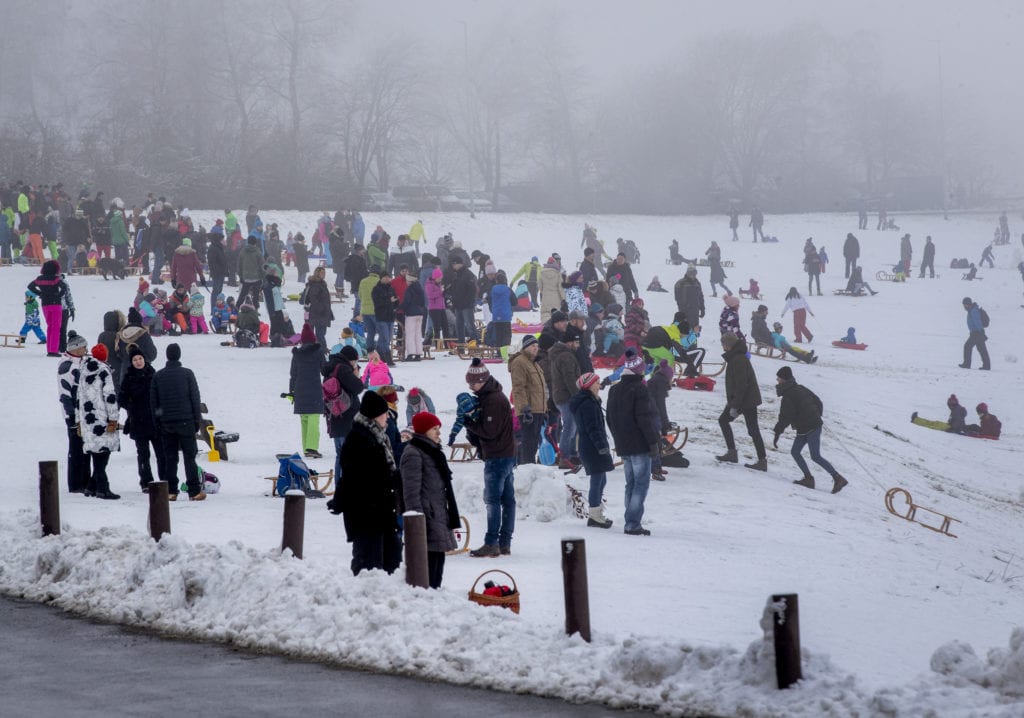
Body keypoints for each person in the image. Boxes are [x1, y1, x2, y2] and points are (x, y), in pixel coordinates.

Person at [333, 390, 402, 576]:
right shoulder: (359, 439)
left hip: (382, 512)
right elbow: (352, 477)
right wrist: (339, 500)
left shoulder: (378, 436)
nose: (387, 417)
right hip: (367, 513)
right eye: (384, 413)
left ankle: (388, 598)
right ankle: (364, 599)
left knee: (392, 560)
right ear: (374, 415)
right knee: (368, 564)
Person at [400, 412, 461, 589]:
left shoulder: (432, 451)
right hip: (426, 518)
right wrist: (418, 523)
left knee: (437, 563)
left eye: (439, 429)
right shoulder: (414, 453)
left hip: (437, 515)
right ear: (424, 430)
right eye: (434, 429)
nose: (438, 433)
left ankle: (434, 599)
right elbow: (410, 492)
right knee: (427, 570)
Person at [463, 358, 516, 557]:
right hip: (506, 454)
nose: (471, 387)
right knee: (508, 500)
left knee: (493, 500)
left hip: (498, 456)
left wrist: (469, 423)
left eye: (473, 383)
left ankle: (492, 542)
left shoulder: (493, 400)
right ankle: (504, 543)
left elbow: (489, 431)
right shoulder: (490, 397)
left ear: (483, 380)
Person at [606, 353, 660, 535]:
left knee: (630, 483)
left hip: (623, 444)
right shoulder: (639, 389)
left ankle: (631, 519)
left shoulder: (614, 390)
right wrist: (653, 442)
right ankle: (632, 523)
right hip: (640, 445)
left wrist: (618, 437)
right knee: (640, 484)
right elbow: (645, 419)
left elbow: (610, 418)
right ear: (638, 371)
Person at [771, 366, 847, 493]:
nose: (777, 380)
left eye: (778, 378)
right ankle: (808, 479)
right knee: (795, 452)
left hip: (812, 427)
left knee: (815, 456)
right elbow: (818, 402)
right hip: (805, 427)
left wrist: (778, 432)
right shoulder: (800, 388)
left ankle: (838, 478)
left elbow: (785, 417)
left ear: (784, 379)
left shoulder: (789, 395)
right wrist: (816, 415)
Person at [151, 343, 206, 501]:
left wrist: (158, 421)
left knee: (170, 458)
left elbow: (154, 402)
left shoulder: (158, 376)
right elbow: (195, 398)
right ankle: (194, 490)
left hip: (167, 423)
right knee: (190, 457)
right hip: (186, 421)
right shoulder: (187, 374)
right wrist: (197, 420)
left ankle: (171, 491)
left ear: (167, 356)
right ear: (179, 355)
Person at [716, 332, 767, 471]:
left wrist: (735, 406)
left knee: (752, 430)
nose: (722, 347)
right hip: (741, 400)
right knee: (730, 423)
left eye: (723, 344)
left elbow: (741, 385)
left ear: (729, 345)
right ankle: (734, 453)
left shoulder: (738, 359)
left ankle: (760, 460)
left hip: (746, 401)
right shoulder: (736, 357)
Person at [570, 372, 614, 528]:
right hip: (591, 447)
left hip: (591, 445)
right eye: (597, 382)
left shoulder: (590, 401)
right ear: (588, 385)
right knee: (597, 480)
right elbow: (593, 428)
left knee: (601, 479)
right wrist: (601, 447)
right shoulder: (587, 404)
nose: (599, 385)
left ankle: (597, 513)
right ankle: (595, 516)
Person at [77, 344, 121, 499]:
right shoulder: (104, 371)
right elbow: (110, 396)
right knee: (103, 453)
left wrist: (79, 420)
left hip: (88, 419)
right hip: (102, 418)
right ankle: (103, 487)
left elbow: (79, 397)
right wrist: (113, 418)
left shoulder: (83, 371)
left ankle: (91, 486)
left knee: (97, 452)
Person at [119, 346, 165, 492]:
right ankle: (146, 482)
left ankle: (164, 479)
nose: (138, 362)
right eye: (135, 360)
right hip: (138, 422)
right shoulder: (128, 377)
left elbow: (161, 397)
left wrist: (159, 413)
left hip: (154, 421)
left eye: (140, 359)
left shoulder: (153, 374)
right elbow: (122, 398)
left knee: (161, 453)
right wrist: (131, 407)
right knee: (143, 454)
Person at [323, 345, 364, 482]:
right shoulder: (343, 369)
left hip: (335, 417)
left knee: (340, 455)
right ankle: (346, 491)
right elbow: (358, 387)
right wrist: (356, 376)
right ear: (351, 359)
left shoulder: (330, 369)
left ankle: (339, 488)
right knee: (349, 456)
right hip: (348, 418)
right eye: (355, 361)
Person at [57, 331, 91, 493]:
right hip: (74, 415)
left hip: (84, 413)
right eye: (84, 347)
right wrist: (71, 416)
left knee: (85, 448)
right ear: (76, 349)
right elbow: (65, 394)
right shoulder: (67, 366)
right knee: (77, 449)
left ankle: (85, 480)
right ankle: (76, 483)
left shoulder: (80, 361)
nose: (86, 350)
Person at [549, 324, 583, 469]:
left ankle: (570, 454)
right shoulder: (566, 356)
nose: (578, 345)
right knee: (569, 426)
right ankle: (564, 457)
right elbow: (570, 379)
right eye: (576, 342)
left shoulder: (562, 354)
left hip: (561, 395)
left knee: (572, 426)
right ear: (569, 342)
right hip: (566, 396)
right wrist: (578, 396)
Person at [509, 334, 547, 464]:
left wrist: (544, 408)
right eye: (532, 346)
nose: (535, 349)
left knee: (534, 441)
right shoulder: (520, 362)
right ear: (525, 347)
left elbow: (540, 388)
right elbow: (519, 387)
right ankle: (526, 467)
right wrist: (525, 407)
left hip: (538, 408)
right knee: (528, 441)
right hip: (528, 409)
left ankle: (530, 466)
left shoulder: (534, 363)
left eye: (537, 346)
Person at [290, 323, 326, 459]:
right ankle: (312, 448)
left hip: (299, 390)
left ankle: (306, 447)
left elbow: (293, 374)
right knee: (313, 419)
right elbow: (324, 369)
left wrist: (291, 391)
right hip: (314, 390)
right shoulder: (318, 352)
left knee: (304, 419)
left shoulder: (297, 354)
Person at [27, 259, 69, 356]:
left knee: (50, 326)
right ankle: (53, 350)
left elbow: (30, 286)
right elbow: (64, 287)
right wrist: (59, 295)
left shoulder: (40, 279)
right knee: (56, 328)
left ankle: (50, 349)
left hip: (45, 304)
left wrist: (40, 293)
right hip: (55, 304)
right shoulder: (56, 279)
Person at [304, 266, 335, 350]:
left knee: (319, 333)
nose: (323, 275)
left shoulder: (320, 284)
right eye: (322, 273)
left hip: (319, 312)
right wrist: (321, 309)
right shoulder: (316, 285)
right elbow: (313, 298)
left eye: (324, 273)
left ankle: (317, 348)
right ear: (317, 273)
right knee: (319, 333)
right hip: (318, 313)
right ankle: (322, 349)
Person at [959, 297, 990, 370]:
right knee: (982, 349)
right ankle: (987, 366)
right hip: (976, 332)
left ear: (968, 304)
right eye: (963, 305)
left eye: (965, 305)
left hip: (977, 333)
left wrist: (981, 332)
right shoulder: (971, 310)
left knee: (967, 346)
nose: (964, 307)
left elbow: (977, 322)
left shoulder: (973, 311)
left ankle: (967, 364)